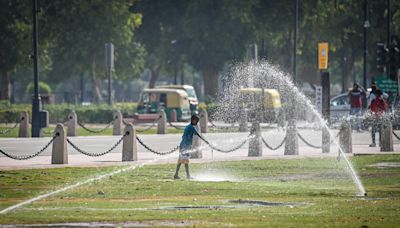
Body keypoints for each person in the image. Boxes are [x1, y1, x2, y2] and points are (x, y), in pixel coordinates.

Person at [174, 114, 200, 179]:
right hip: (185, 146)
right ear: (193, 120)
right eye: (196, 121)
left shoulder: (188, 126)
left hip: (183, 145)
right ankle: (187, 175)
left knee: (181, 161)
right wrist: (206, 141)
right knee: (185, 161)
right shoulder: (191, 127)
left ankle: (177, 174)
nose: (196, 123)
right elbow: (198, 134)